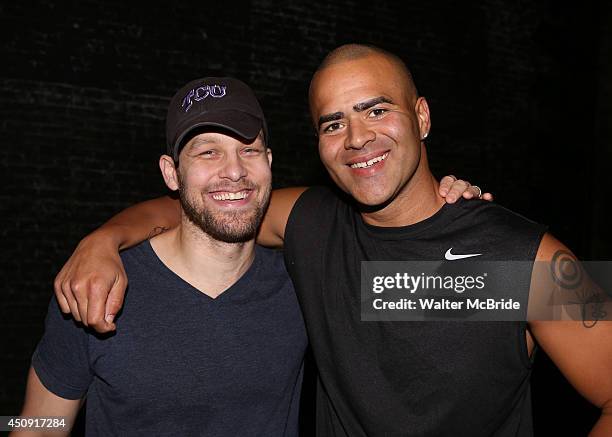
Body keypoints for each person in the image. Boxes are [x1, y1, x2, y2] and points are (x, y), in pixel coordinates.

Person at [54, 45, 611, 437]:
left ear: (421, 117)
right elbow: (203, 205)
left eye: (376, 109)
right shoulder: (312, 224)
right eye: (332, 123)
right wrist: (102, 239)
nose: (358, 137)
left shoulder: (527, 257)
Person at [13, 78, 309, 436]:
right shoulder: (98, 288)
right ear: (172, 173)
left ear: (269, 162)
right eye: (208, 152)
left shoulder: (300, 285)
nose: (234, 171)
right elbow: (39, 427)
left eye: (249, 151)